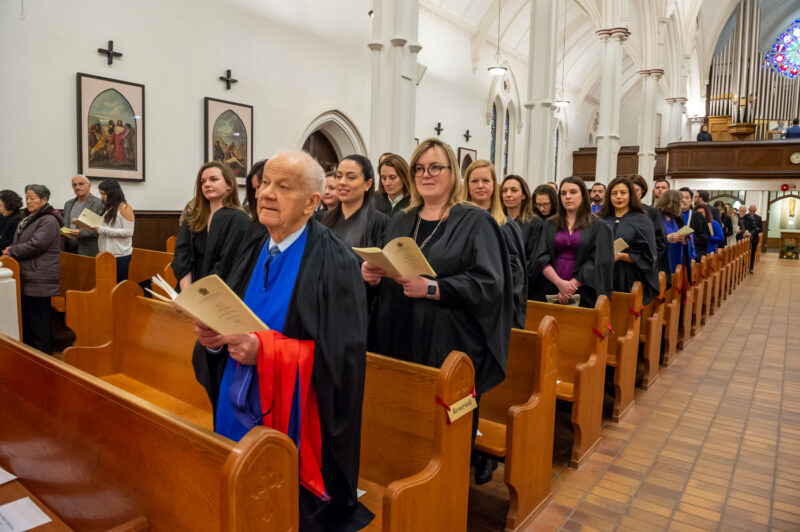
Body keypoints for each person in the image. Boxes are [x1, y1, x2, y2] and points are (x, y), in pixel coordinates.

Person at [192, 151, 373, 531]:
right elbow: (228, 317)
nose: (266, 194)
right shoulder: (250, 245)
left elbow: (344, 361)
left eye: (283, 187)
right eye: (265, 184)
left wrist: (267, 352)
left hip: (294, 421)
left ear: (312, 202)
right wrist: (212, 340)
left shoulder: (336, 262)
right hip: (235, 399)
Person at [363, 138, 513, 485]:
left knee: (445, 432)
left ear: (452, 174)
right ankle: (404, 495)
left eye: (435, 168)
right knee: (402, 422)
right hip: (398, 337)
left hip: (449, 342)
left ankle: (446, 500)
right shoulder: (400, 221)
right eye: (419, 168)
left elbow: (490, 283)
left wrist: (433, 288)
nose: (426, 174)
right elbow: (393, 270)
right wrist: (372, 275)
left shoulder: (476, 221)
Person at [532, 176, 614, 309]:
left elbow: (599, 261)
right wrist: (559, 283)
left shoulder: (599, 226)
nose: (567, 196)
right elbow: (541, 256)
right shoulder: (550, 224)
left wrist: (571, 286)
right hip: (550, 287)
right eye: (563, 193)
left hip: (584, 289)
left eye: (573, 192)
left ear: (583, 195)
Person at [464, 160, 527, 328]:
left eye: (486, 181)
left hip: (496, 306)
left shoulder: (506, 225)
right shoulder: (456, 221)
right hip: (462, 301)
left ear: (494, 184)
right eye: (474, 181)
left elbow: (516, 272)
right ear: (467, 185)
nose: (480, 186)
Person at [172, 162, 250, 292]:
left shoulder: (239, 219)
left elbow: (226, 264)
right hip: (187, 290)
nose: (207, 184)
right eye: (203, 181)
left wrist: (200, 296)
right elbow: (182, 258)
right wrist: (187, 293)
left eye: (213, 179)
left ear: (229, 185)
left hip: (218, 291)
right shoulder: (192, 219)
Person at [1, 185, 61, 354]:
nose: (28, 201)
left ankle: (43, 356)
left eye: (33, 198)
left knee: (39, 320)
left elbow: (37, 244)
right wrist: (12, 247)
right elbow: (25, 241)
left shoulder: (48, 220)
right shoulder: (30, 218)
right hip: (29, 275)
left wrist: (13, 250)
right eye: (27, 197)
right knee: (28, 318)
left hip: (40, 276)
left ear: (44, 200)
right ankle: (30, 355)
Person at [597, 176, 659, 304]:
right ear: (609, 196)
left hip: (626, 277)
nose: (618, 197)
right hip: (600, 276)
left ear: (631, 195)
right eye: (614, 193)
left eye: (623, 193)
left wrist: (621, 256)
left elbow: (648, 255)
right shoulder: (600, 219)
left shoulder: (642, 220)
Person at [319, 155, 388, 247]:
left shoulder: (380, 223)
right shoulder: (320, 220)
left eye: (351, 177)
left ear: (367, 184)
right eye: (339, 176)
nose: (342, 182)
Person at [502, 175, 544, 298]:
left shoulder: (535, 223)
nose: (508, 194)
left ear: (524, 195)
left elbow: (535, 258)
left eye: (514, 190)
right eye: (504, 191)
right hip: (498, 283)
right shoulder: (495, 220)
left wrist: (516, 279)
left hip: (525, 285)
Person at [629, 174, 671, 289]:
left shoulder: (652, 213)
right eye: (629, 190)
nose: (632, 193)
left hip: (644, 269)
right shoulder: (617, 213)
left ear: (642, 191)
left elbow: (660, 244)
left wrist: (643, 261)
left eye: (636, 190)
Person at [93, 179, 134, 282]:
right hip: (105, 253)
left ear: (112, 193)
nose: (101, 197)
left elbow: (129, 232)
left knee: (118, 289)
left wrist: (102, 230)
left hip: (119, 255)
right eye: (100, 194)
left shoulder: (124, 207)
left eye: (103, 194)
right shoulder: (109, 208)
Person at [62, 174, 104, 256]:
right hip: (69, 248)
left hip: (88, 249)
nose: (77, 187)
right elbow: (66, 224)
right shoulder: (68, 204)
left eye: (81, 184)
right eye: (74, 185)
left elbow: (100, 228)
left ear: (89, 186)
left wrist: (80, 233)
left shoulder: (98, 203)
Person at [679, 187, 709, 259]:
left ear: (691, 200)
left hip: (694, 256)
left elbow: (706, 237)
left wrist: (689, 238)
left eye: (687, 198)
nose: (683, 200)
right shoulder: (671, 216)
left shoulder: (698, 216)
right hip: (676, 254)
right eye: (681, 198)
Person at [742, 204, 762, 273]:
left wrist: (752, 233)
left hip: (754, 238)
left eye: (753, 211)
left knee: (753, 253)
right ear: (748, 210)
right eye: (751, 211)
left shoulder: (758, 218)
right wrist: (747, 233)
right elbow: (743, 226)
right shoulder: (745, 217)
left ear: (755, 210)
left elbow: (760, 229)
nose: (752, 212)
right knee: (743, 253)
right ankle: (743, 266)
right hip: (745, 238)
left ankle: (751, 268)